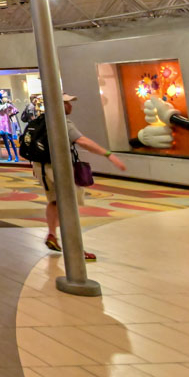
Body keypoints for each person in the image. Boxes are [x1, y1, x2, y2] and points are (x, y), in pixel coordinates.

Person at [34, 93, 126, 261]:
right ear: (60, 105)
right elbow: (82, 141)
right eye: (67, 103)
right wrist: (108, 155)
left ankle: (52, 235)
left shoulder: (42, 120)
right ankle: (76, 250)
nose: (71, 106)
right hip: (58, 168)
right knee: (70, 207)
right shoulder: (62, 122)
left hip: (41, 167)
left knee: (54, 201)